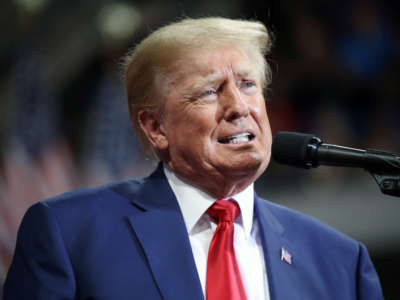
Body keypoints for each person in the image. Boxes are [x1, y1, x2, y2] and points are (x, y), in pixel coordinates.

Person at [3, 17, 383, 300]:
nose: (239, 107)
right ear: (156, 127)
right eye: (209, 92)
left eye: (248, 84)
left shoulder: (340, 262)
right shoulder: (69, 235)